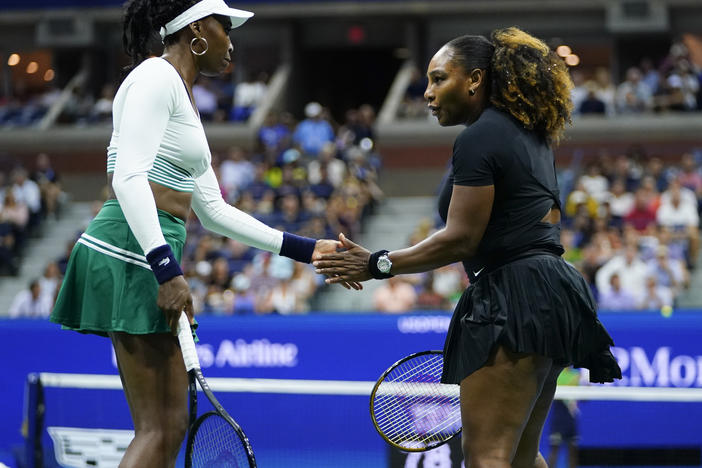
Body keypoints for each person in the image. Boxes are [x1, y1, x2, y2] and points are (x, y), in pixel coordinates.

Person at [49, 1, 356, 466]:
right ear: (196, 29)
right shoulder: (156, 77)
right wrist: (166, 268)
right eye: (225, 26)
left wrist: (306, 248)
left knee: (166, 428)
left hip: (143, 248)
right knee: (159, 428)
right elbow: (128, 178)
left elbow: (213, 212)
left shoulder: (184, 98)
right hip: (132, 247)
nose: (231, 40)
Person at [315, 27, 621, 467]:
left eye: (439, 79)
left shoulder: (480, 136)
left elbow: (461, 238)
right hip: (552, 295)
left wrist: (379, 263)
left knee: (485, 458)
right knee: (519, 457)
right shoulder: (532, 135)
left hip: (512, 298)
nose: (427, 93)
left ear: (475, 80)